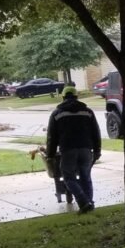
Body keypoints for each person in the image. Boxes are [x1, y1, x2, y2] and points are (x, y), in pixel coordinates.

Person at [46, 85, 102, 213]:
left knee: (69, 178)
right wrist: (97, 150)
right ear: (77, 97)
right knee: (85, 177)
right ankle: (89, 202)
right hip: (86, 149)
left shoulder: (57, 114)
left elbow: (52, 137)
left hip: (68, 150)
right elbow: (96, 132)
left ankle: (83, 202)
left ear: (63, 97)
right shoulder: (88, 112)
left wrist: (50, 155)